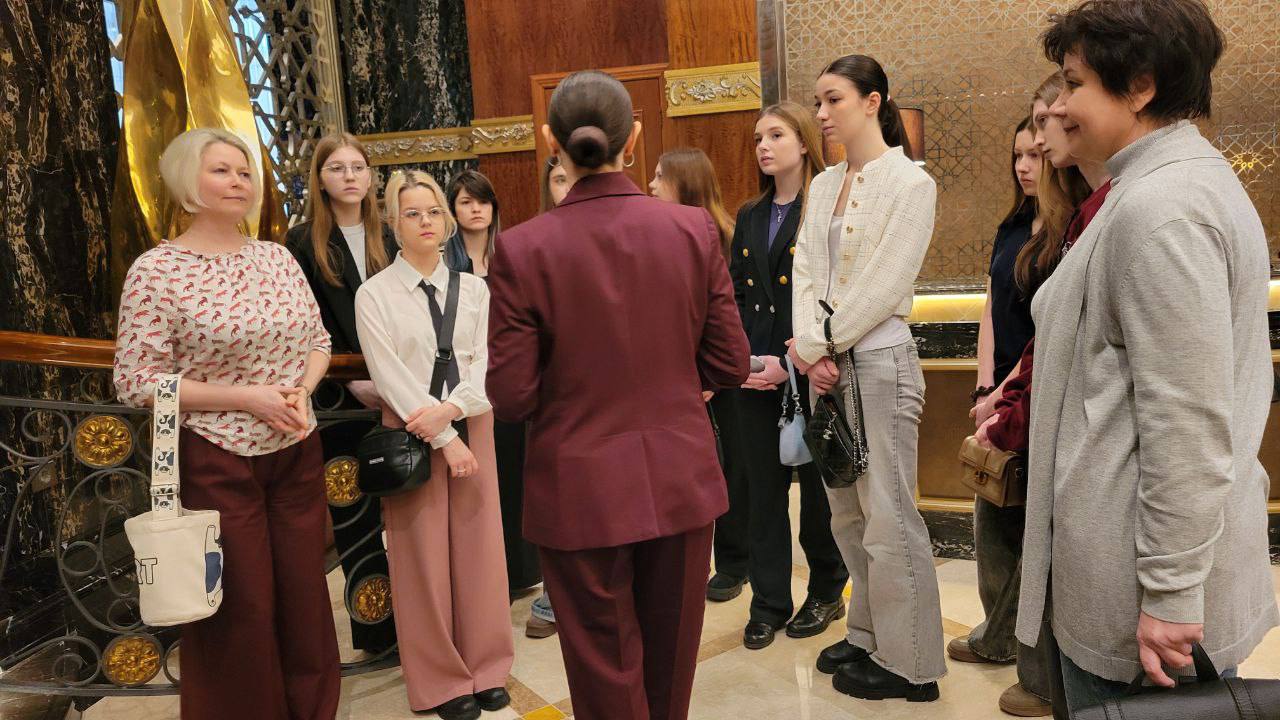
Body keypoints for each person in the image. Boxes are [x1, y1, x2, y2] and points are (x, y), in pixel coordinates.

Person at [1017, 0, 1277, 712]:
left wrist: (1169, 593)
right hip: (1127, 570)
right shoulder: (1154, 187)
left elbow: (1185, 422)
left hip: (1137, 597)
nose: (1057, 106)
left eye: (1074, 84)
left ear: (1139, 87)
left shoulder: (1163, 208)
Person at [486, 70, 750, 720]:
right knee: (669, 670)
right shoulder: (691, 229)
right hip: (680, 476)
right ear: (633, 138)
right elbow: (729, 362)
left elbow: (512, 396)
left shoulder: (521, 248)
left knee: (606, 674)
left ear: (551, 140)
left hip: (578, 487)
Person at [114, 128, 339, 719]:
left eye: (244, 171)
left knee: (306, 595)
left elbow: (319, 341)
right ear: (187, 182)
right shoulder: (157, 271)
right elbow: (136, 380)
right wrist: (246, 399)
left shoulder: (277, 257)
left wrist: (300, 391)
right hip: (217, 455)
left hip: (296, 447)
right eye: (221, 170)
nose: (238, 181)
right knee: (241, 606)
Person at [787, 54, 946, 702]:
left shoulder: (911, 183)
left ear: (872, 101)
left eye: (834, 100)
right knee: (846, 515)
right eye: (818, 102)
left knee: (890, 516)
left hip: (879, 362)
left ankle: (913, 665)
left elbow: (887, 281)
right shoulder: (825, 184)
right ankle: (868, 632)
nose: (822, 114)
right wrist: (810, 351)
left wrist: (818, 343)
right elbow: (803, 270)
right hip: (825, 368)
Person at [355, 170, 513, 720]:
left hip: (472, 420)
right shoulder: (374, 294)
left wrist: (454, 411)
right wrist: (444, 435)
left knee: (481, 550)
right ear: (392, 223)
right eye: (412, 214)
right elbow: (388, 375)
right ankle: (440, 680)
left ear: (446, 222)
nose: (425, 222)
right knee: (421, 558)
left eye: (433, 212)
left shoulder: (475, 290)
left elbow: (485, 361)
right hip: (411, 431)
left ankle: (487, 666)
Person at [721, 103, 850, 651]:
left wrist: (788, 360)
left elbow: (830, 291)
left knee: (819, 492)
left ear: (803, 143)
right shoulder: (750, 213)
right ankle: (768, 602)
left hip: (808, 365)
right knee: (761, 494)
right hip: (754, 375)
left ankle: (826, 590)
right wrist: (742, 361)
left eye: (776, 135)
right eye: (758, 138)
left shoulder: (825, 209)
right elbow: (734, 293)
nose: (763, 146)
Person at [284, 132, 398, 656]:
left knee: (411, 509)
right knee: (355, 517)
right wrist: (351, 378)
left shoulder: (390, 235)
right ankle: (377, 631)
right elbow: (306, 320)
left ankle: (423, 622)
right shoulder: (300, 243)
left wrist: (392, 379)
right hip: (338, 399)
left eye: (357, 167)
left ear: (370, 176)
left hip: (399, 390)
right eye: (337, 168)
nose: (349, 176)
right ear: (320, 179)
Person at [649, 147, 750, 603]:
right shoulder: (654, 237)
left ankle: (734, 561)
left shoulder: (726, 237)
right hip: (678, 380)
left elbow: (732, 316)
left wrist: (710, 377)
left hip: (724, 379)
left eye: (660, 176)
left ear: (684, 182)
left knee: (731, 469)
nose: (651, 185)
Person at [443, 170, 542, 597]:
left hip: (510, 379)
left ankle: (522, 572)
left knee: (517, 476)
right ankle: (483, 576)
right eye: (465, 202)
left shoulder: (511, 257)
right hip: (463, 387)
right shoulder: (445, 265)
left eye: (482, 201)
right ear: (452, 210)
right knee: (480, 481)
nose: (476, 209)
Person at [523, 157, 574, 640]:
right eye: (557, 180)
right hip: (554, 397)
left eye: (570, 178)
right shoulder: (530, 246)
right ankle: (555, 597)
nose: (566, 187)